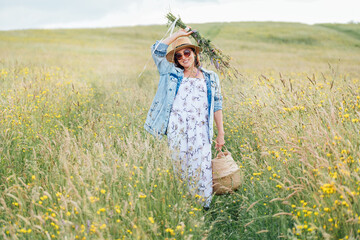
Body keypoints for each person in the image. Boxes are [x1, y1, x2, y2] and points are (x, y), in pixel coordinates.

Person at [144, 27, 225, 208]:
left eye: (187, 52)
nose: (183, 58)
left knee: (202, 167)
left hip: (201, 131)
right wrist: (179, 35)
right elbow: (156, 50)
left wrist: (221, 133)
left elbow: (217, 105)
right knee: (181, 167)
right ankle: (185, 206)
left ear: (195, 54)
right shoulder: (171, 72)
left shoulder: (211, 77)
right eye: (178, 56)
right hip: (177, 129)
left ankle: (203, 207)